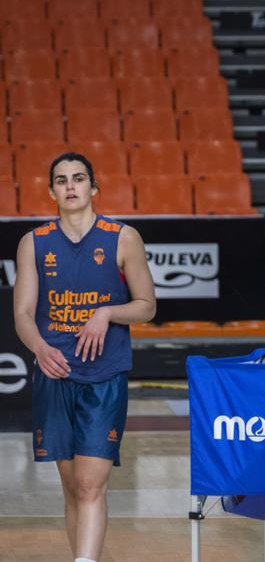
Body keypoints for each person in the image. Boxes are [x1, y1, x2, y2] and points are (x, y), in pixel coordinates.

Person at [12, 153, 156, 562]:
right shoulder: (34, 243)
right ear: (52, 190)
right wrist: (40, 349)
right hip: (54, 375)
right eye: (61, 180)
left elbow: (147, 306)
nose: (70, 186)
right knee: (74, 488)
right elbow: (22, 314)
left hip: (104, 375)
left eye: (78, 179)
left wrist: (107, 312)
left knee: (92, 485)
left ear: (94, 188)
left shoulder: (123, 237)